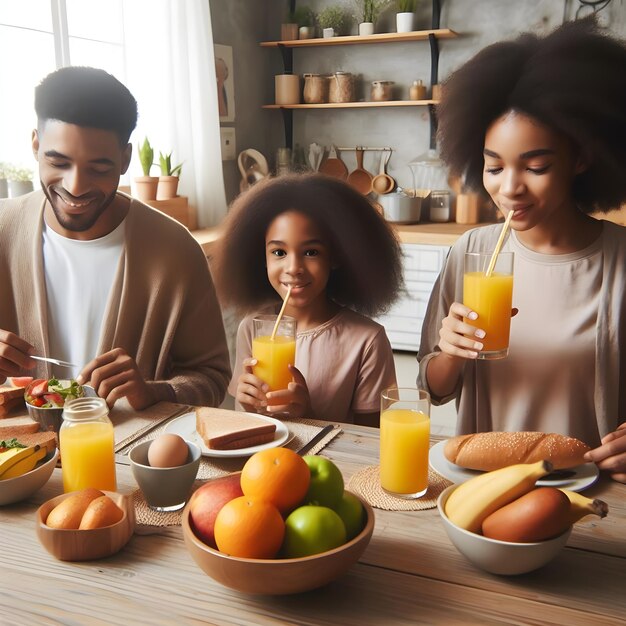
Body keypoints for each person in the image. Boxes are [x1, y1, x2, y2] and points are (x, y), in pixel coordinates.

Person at [416, 18, 626, 483]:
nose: (510, 188)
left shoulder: (619, 262)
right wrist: (451, 353)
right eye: (493, 167)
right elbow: (433, 389)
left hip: (591, 495)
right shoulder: (472, 250)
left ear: (583, 157)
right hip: (482, 490)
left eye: (536, 166)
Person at [0, 66, 231, 410]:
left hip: (126, 459)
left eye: (98, 168)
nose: (75, 186)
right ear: (35, 145)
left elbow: (211, 378)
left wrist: (154, 391)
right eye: (58, 162)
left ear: (124, 159)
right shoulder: (3, 230)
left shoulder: (175, 250)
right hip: (21, 460)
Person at [211, 173, 403, 426]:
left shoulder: (367, 341)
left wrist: (308, 415)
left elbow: (371, 439)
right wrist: (246, 403)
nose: (294, 268)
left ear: (335, 257)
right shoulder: (253, 328)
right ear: (262, 257)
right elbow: (247, 423)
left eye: (311, 252)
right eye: (279, 252)